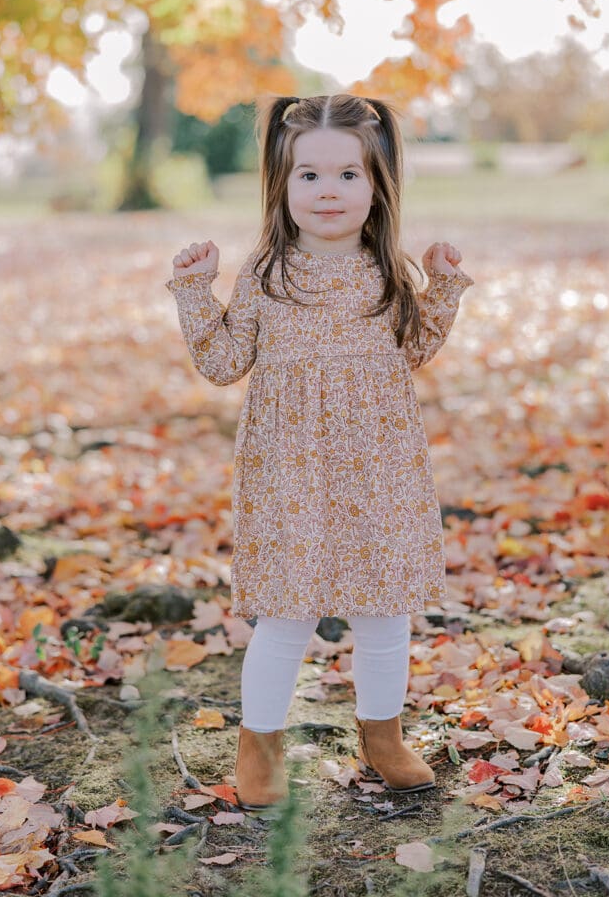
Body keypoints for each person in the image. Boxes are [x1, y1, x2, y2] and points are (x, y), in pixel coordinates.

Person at [165, 94, 475, 810]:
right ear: (281, 185)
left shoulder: (386, 271)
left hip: (379, 466)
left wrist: (444, 286)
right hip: (289, 469)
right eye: (308, 176)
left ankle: (382, 735)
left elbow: (417, 348)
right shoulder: (266, 275)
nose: (327, 191)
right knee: (286, 614)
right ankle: (260, 744)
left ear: (376, 185)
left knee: (383, 612)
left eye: (347, 175)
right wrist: (192, 291)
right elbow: (220, 363)